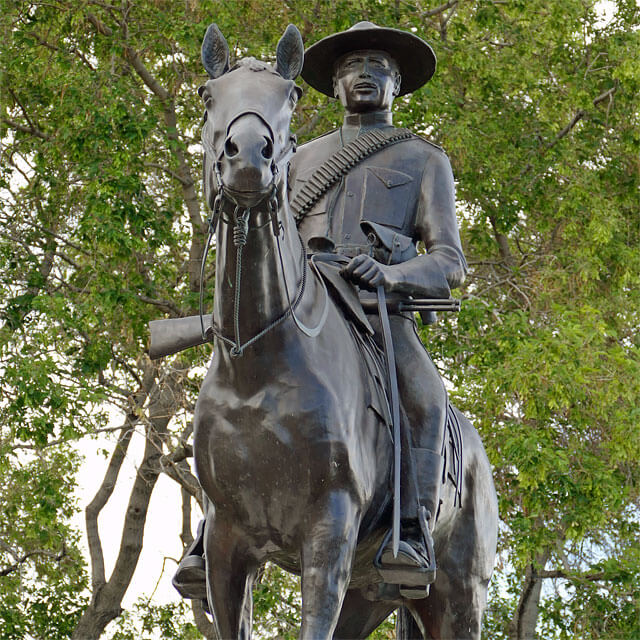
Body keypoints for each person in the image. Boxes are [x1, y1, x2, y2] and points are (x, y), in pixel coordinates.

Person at [173, 21, 467, 601]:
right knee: (225, 394)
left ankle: (409, 530)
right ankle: (214, 529)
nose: (363, 75)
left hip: (377, 313)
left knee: (425, 397)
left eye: (378, 66)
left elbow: (450, 262)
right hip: (295, 306)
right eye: (350, 67)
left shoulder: (423, 159)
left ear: (396, 83)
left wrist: (393, 274)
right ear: (332, 86)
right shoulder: (295, 155)